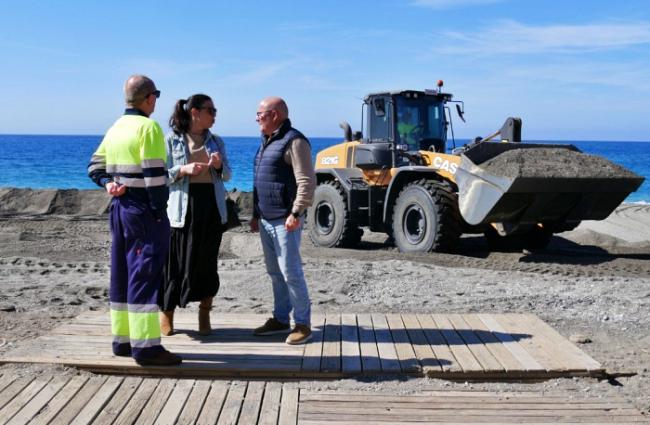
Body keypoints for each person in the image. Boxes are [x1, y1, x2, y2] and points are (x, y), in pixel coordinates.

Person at [87, 75, 181, 366]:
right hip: (143, 210)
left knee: (123, 272)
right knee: (145, 273)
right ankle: (147, 348)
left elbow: (93, 166)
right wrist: (159, 211)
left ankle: (123, 340)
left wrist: (107, 183)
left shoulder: (116, 127)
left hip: (120, 207)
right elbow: (154, 177)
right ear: (149, 98)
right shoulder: (148, 128)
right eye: (156, 96)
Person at [159, 94, 231, 337]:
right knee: (176, 263)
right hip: (182, 208)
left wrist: (219, 165)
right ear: (194, 113)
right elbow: (162, 175)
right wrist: (183, 169)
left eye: (215, 110)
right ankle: (167, 314)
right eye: (211, 110)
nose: (215, 115)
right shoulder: (172, 140)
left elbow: (228, 175)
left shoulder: (216, 141)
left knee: (207, 263)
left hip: (210, 206)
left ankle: (204, 314)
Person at [250, 97, 316, 345]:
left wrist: (296, 212)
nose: (257, 118)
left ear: (275, 115)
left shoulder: (294, 140)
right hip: (266, 219)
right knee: (275, 272)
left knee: (291, 273)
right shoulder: (267, 141)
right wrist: (256, 215)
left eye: (260, 114)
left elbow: (306, 181)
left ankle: (303, 324)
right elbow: (261, 179)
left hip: (285, 219)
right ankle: (280, 319)